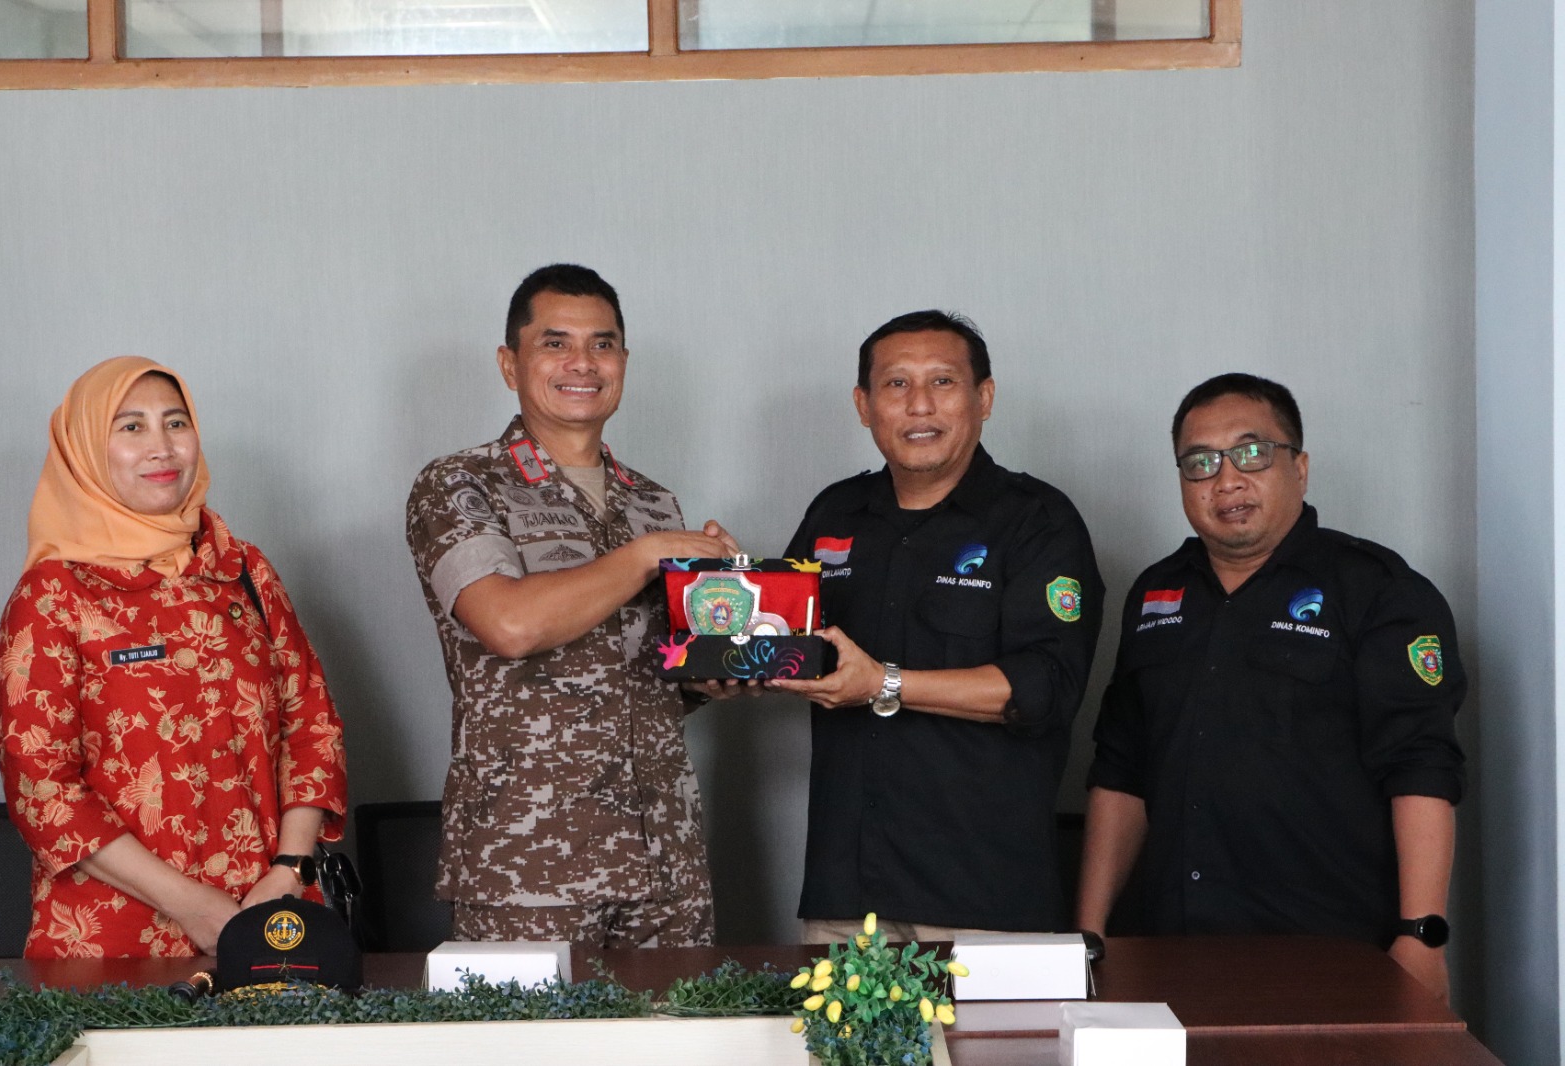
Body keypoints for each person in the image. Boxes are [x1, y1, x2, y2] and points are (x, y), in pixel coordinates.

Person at [1077, 373, 1465, 1000]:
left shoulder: (1377, 589)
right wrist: (1089, 934)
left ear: (1300, 468)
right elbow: (1122, 771)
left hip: (1330, 950)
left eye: (1252, 454)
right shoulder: (1155, 592)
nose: (1227, 480)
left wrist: (1421, 936)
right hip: (1168, 947)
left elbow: (1421, 769)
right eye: (1200, 463)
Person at [405, 263, 736, 948]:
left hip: (665, 859)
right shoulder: (461, 484)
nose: (583, 363)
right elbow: (509, 624)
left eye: (602, 344)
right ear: (510, 364)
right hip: (527, 863)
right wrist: (646, 556)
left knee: (681, 1022)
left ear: (623, 362)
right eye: (555, 343)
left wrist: (717, 668)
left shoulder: (653, 502)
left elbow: (652, 675)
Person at [0, 356, 347, 958]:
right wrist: (192, 905)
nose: (162, 446)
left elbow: (313, 725)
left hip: (272, 919)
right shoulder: (54, 595)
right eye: (131, 427)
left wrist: (290, 869)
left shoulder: (242, 570)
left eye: (175, 423)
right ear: (85, 449)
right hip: (113, 942)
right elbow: (42, 788)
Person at [766, 310, 1104, 940]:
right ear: (864, 405)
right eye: (896, 384)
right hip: (847, 895)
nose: (918, 404)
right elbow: (783, 642)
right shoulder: (835, 512)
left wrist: (884, 683)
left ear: (984, 398)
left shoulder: (1038, 521)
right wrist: (718, 621)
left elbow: (1047, 687)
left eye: (942, 382)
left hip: (982, 900)